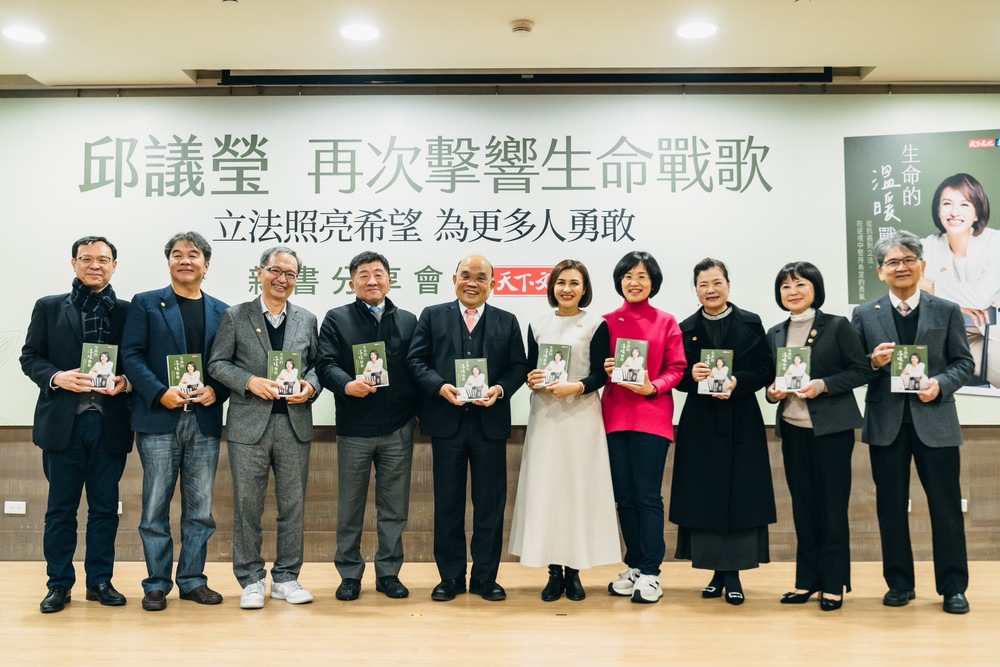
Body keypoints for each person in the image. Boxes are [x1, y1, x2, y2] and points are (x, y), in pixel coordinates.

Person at [852, 230, 974, 614]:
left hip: (936, 421)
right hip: (886, 424)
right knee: (890, 507)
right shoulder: (864, 314)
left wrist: (940, 384)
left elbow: (964, 363)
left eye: (908, 260)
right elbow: (853, 369)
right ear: (880, 271)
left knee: (946, 508)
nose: (901, 267)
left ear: (922, 266)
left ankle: (953, 587)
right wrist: (872, 362)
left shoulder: (947, 310)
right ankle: (900, 583)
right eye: (893, 262)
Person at [20, 235, 132, 613]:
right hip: (62, 425)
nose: (94, 265)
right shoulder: (49, 307)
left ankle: (99, 581)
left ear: (114, 265)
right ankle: (58, 584)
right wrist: (57, 377)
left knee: (105, 509)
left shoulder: (128, 312)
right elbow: (30, 357)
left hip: (109, 424)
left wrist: (127, 382)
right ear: (74, 263)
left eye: (103, 259)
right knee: (60, 510)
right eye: (86, 259)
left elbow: (137, 359)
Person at [407, 254, 529, 602]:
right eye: (465, 275)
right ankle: (451, 577)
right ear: (454, 279)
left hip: (490, 424)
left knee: (490, 505)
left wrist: (499, 389)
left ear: (493, 284)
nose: (472, 283)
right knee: (448, 504)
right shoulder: (433, 315)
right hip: (447, 424)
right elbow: (415, 360)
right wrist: (439, 387)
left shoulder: (507, 320)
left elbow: (518, 366)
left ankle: (485, 578)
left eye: (480, 277)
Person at [120, 231, 230, 612]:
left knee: (200, 510)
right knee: (155, 508)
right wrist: (157, 392)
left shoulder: (222, 311)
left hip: (204, 421)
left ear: (206, 265)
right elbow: (131, 355)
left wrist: (217, 390)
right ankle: (156, 584)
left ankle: (193, 580)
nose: (185, 260)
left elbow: (228, 363)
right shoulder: (146, 303)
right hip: (158, 419)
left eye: (193, 254)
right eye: (178, 254)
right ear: (169, 262)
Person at [208, 245, 321, 610]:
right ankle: (251, 579)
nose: (282, 279)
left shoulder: (306, 319)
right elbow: (217, 364)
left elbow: (317, 366)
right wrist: (249, 382)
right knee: (247, 506)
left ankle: (286, 578)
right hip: (248, 425)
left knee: (293, 506)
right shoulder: (235, 315)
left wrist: (310, 387)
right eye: (275, 271)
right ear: (260, 273)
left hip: (293, 424)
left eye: (290, 274)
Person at [509, 260, 620, 602]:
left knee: (577, 491)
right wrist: (531, 379)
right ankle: (553, 572)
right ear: (552, 287)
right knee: (547, 492)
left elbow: (600, 374)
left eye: (574, 283)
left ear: (584, 289)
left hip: (581, 417)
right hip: (545, 418)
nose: (567, 289)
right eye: (561, 282)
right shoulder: (537, 324)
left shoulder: (596, 325)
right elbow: (530, 371)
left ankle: (574, 572)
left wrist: (578, 386)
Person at [765, 261, 870, 612]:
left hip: (831, 432)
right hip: (793, 430)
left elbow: (861, 370)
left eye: (800, 284)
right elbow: (771, 381)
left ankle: (833, 583)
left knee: (832, 507)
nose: (792, 291)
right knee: (803, 506)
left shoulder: (837, 326)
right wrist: (772, 393)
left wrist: (823, 385)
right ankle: (806, 580)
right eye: (786, 286)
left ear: (815, 289)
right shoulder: (776, 333)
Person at [316, 251, 420, 602]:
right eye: (363, 275)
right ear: (351, 283)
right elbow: (325, 363)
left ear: (390, 279)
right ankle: (349, 573)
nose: (372, 280)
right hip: (354, 428)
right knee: (350, 508)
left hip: (398, 428)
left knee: (394, 509)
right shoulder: (337, 318)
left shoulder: (408, 320)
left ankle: (388, 573)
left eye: (378, 274)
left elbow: (417, 368)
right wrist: (347, 385)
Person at [670, 258, 775, 606]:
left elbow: (765, 370)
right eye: (703, 284)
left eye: (717, 283)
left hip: (741, 418)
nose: (710, 290)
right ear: (695, 290)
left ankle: (734, 575)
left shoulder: (751, 322)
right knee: (705, 498)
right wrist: (691, 376)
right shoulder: (685, 328)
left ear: (728, 286)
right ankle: (715, 572)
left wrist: (737, 381)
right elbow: (676, 375)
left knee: (741, 497)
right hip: (701, 423)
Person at [601, 251, 687, 604]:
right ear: (619, 281)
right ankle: (635, 565)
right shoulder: (605, 322)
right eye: (628, 276)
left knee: (647, 496)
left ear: (653, 282)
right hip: (614, 418)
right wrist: (605, 367)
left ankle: (651, 572)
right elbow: (594, 370)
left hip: (652, 417)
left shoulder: (666, 321)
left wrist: (653, 387)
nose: (634, 282)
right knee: (624, 498)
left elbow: (677, 368)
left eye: (642, 276)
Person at [919, 173, 1000, 387]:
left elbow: (981, 297)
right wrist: (960, 307)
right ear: (938, 210)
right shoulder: (927, 246)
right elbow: (905, 284)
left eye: (965, 204)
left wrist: (930, 285)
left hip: (990, 335)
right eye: (947, 203)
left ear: (977, 212)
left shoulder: (996, 242)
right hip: (943, 337)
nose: (954, 212)